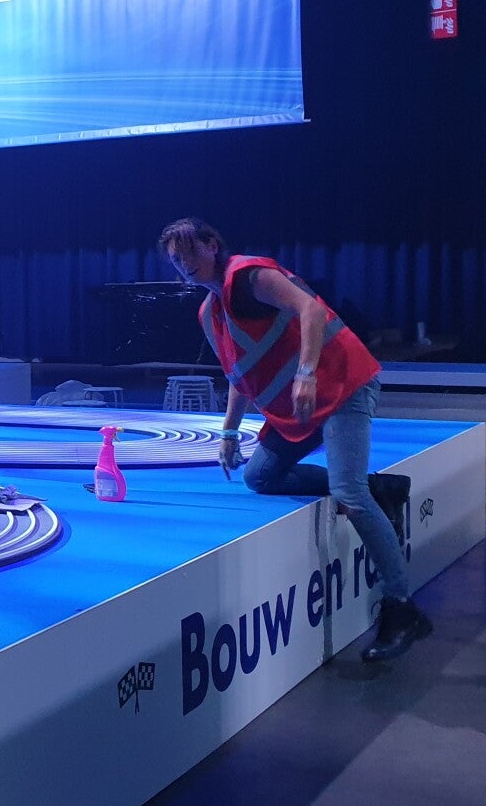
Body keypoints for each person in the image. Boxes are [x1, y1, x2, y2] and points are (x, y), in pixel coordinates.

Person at [159, 217, 430, 662]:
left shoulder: (249, 277)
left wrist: (306, 373)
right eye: (175, 259)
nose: (184, 264)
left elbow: (312, 310)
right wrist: (229, 432)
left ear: (212, 245)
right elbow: (238, 376)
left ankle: (402, 608)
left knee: (348, 492)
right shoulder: (210, 313)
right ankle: (379, 488)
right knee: (259, 477)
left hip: (342, 385)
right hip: (301, 410)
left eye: (189, 252)